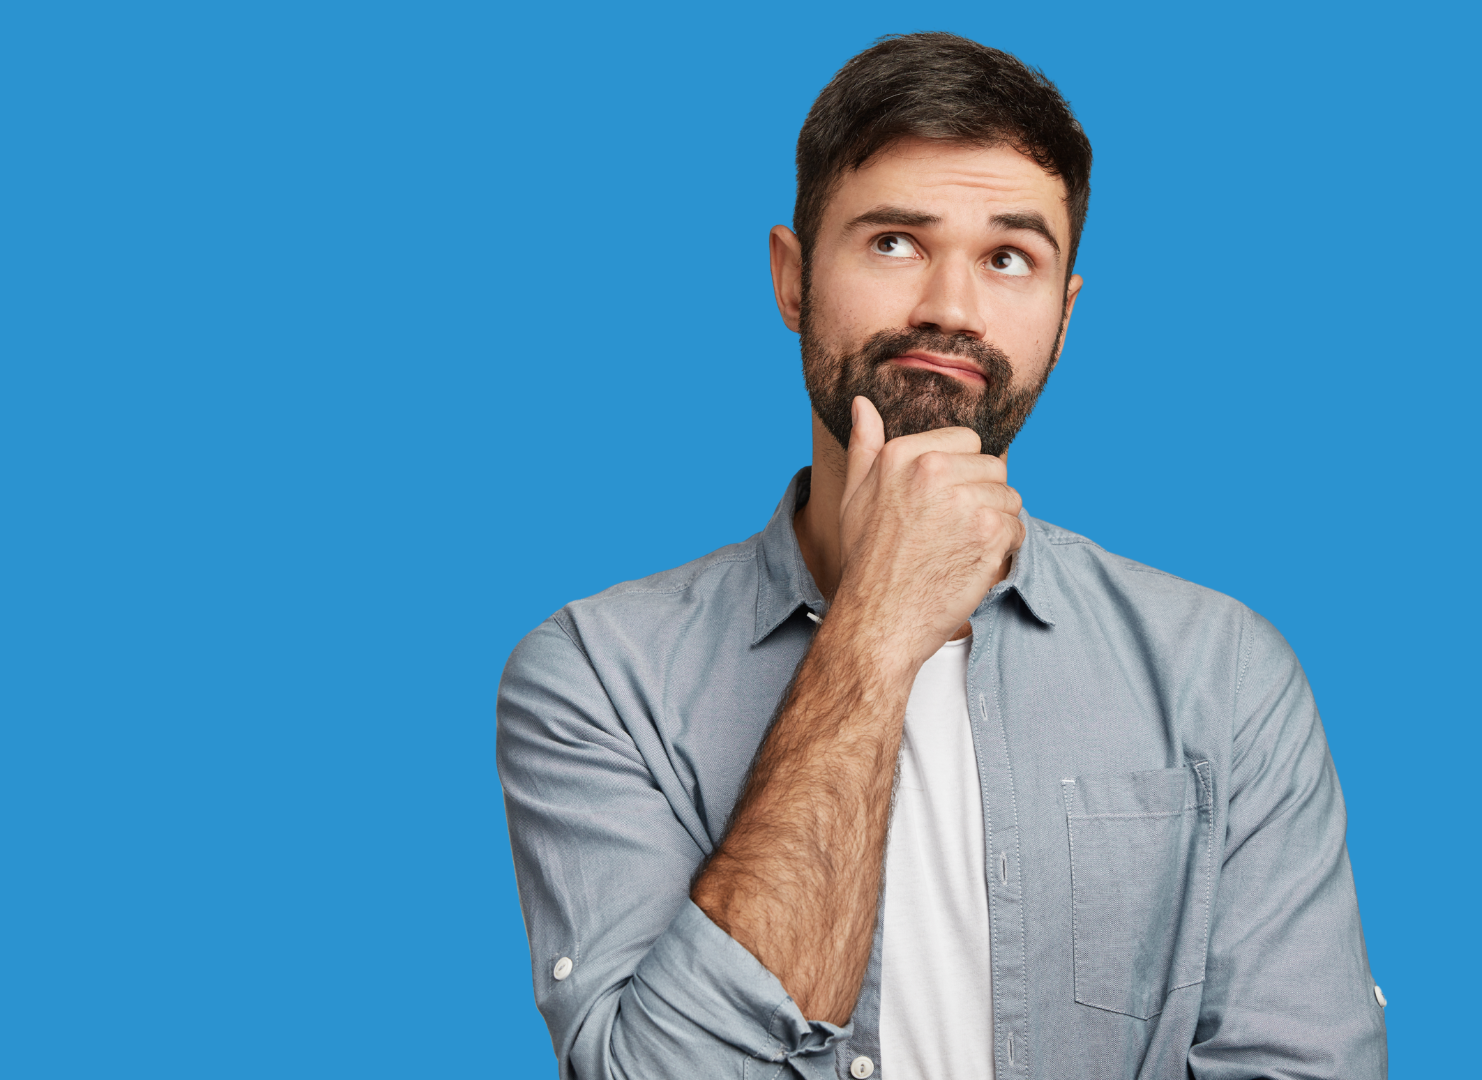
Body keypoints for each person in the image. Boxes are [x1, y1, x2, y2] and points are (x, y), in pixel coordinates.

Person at [495, 31, 1385, 1080]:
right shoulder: (599, 676)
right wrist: (876, 627)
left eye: (1010, 257)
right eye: (893, 242)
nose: (950, 309)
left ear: (1064, 313)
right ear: (791, 279)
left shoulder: (1224, 675)